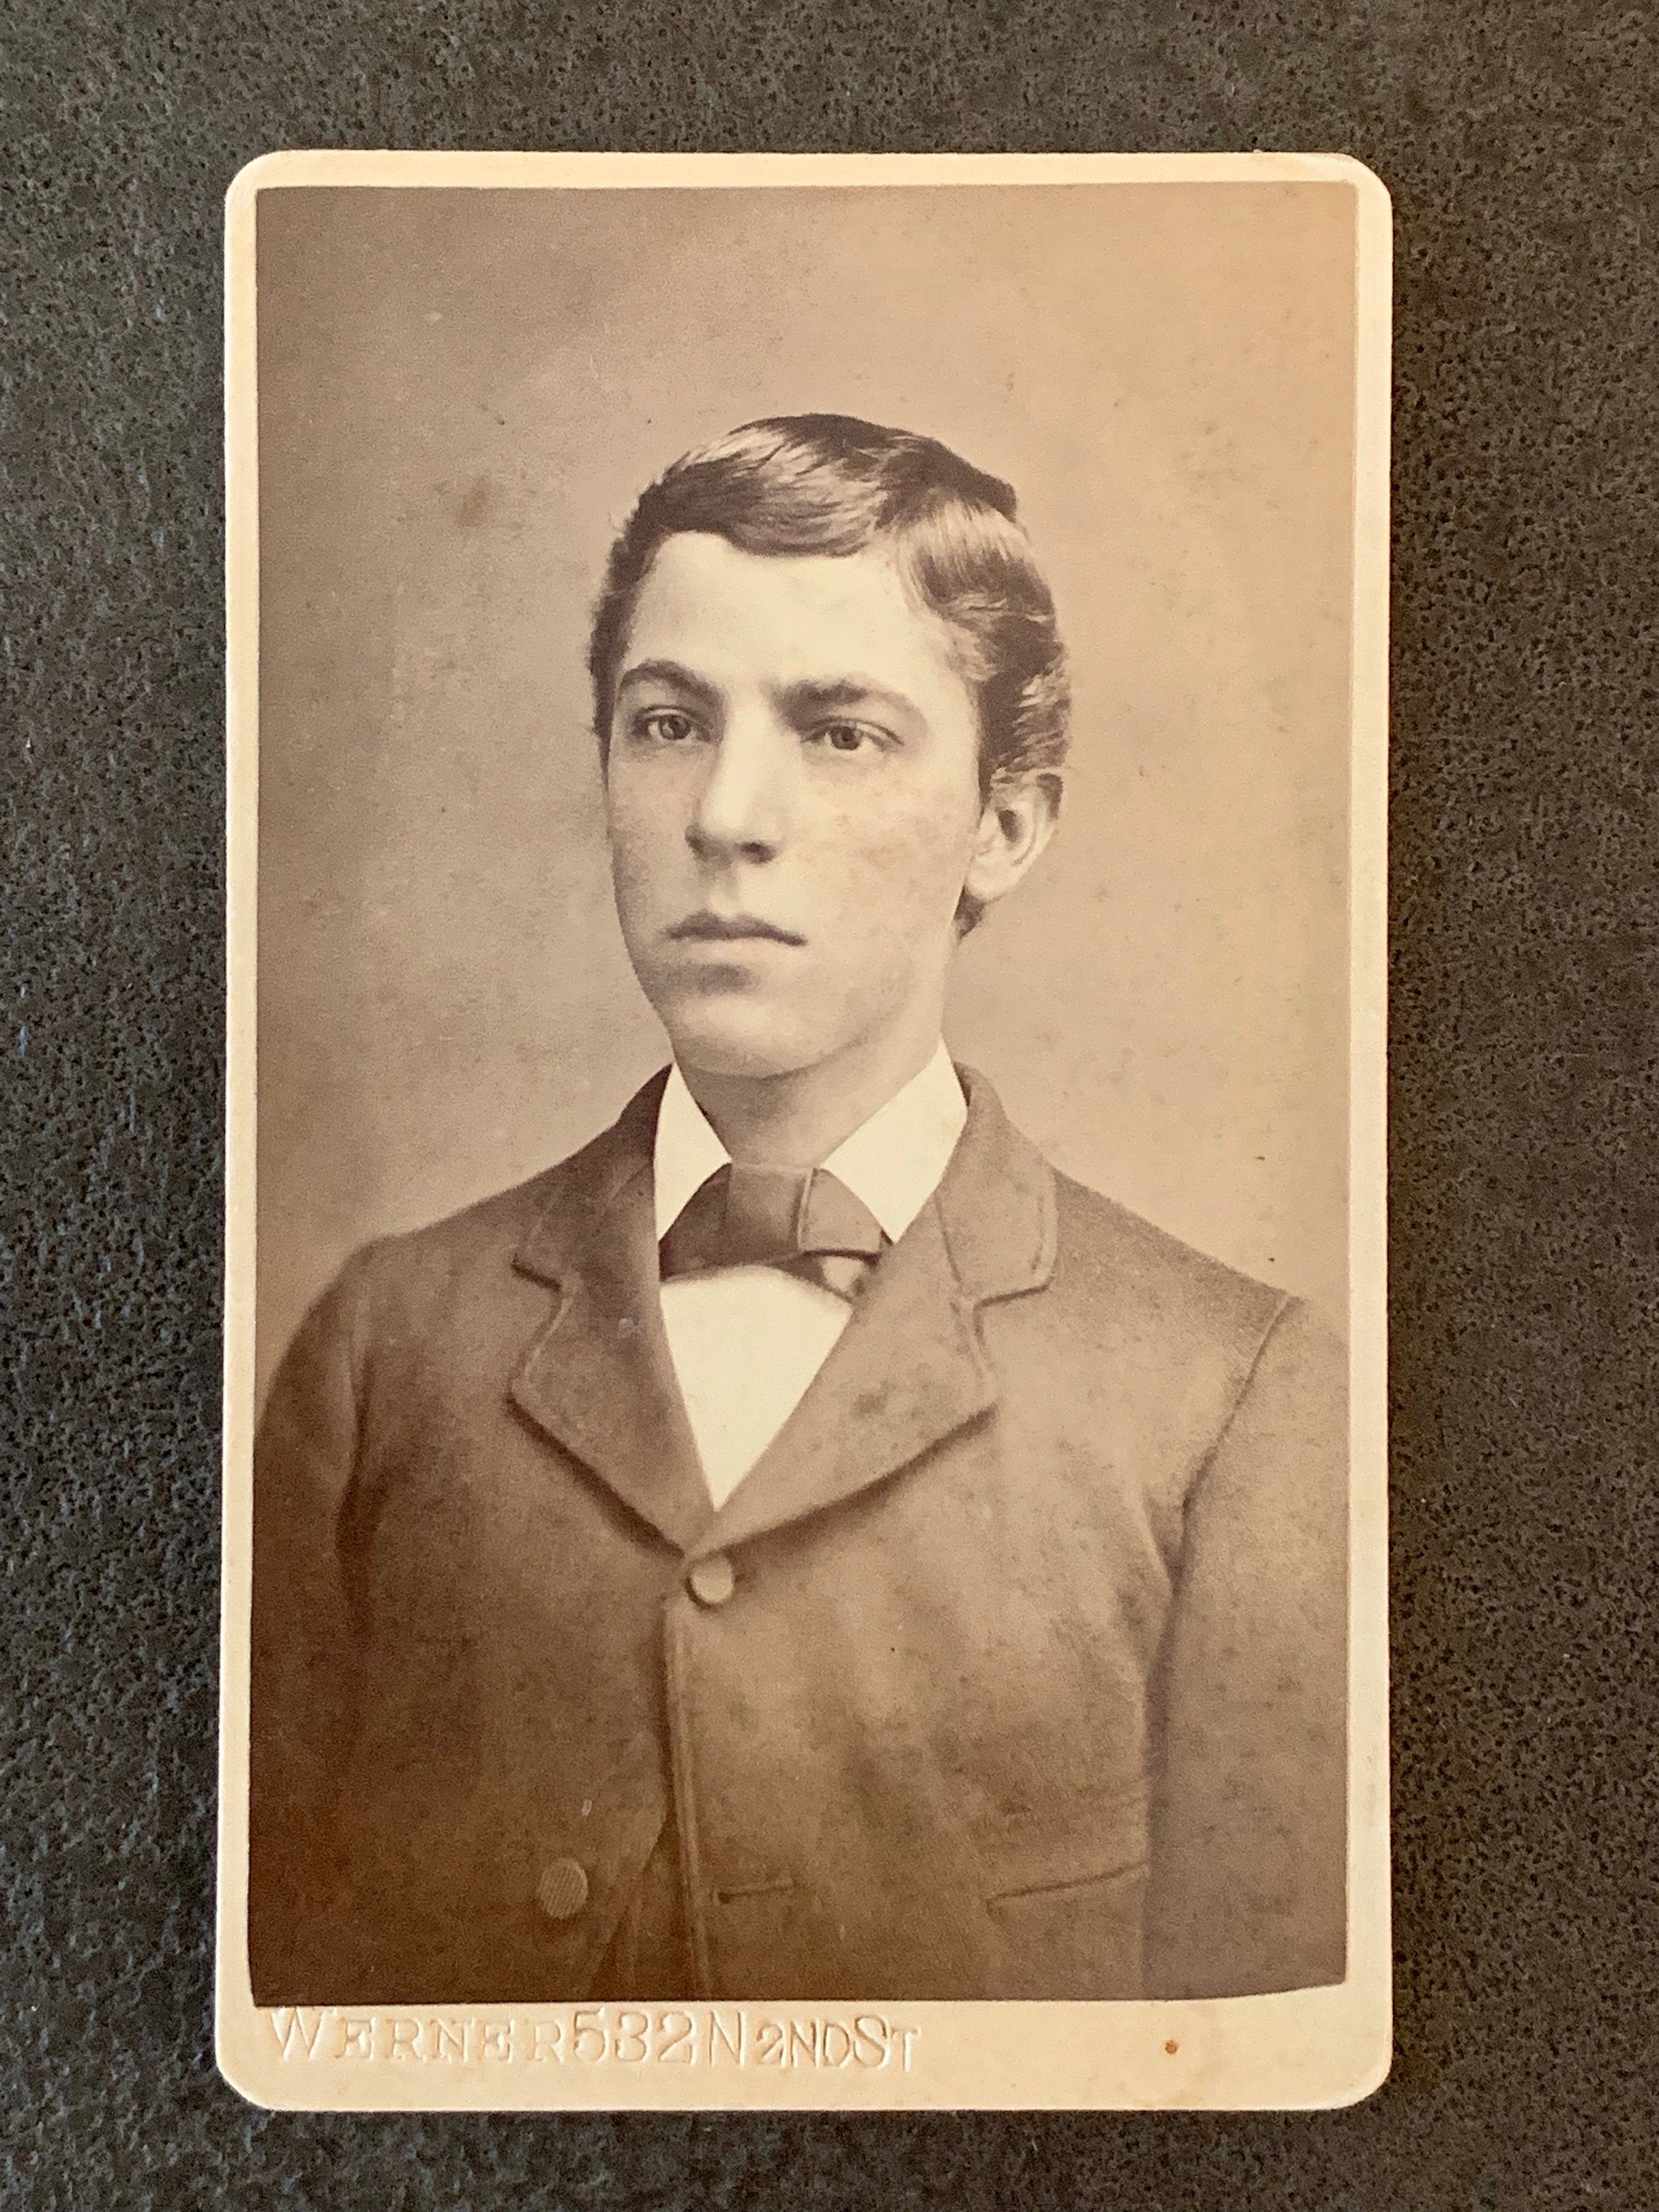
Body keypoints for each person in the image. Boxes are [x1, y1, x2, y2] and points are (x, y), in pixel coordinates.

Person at [248, 413, 1347, 2007]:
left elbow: (1265, 2086)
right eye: (668, 721)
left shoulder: (1229, 1396)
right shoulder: (382, 1349)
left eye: (839, 732)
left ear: (1008, 823)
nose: (723, 814)